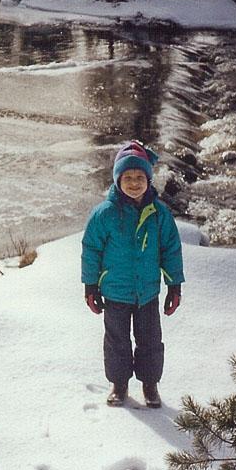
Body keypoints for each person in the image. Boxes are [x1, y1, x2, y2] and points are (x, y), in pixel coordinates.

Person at [81, 140, 184, 408]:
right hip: (115, 291)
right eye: (128, 177)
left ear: (149, 179)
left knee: (150, 341)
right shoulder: (103, 214)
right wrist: (91, 285)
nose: (134, 183)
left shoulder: (160, 214)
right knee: (116, 341)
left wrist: (174, 286)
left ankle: (150, 385)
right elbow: (91, 250)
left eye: (140, 177)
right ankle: (119, 384)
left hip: (147, 291)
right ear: (117, 179)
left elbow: (170, 250)